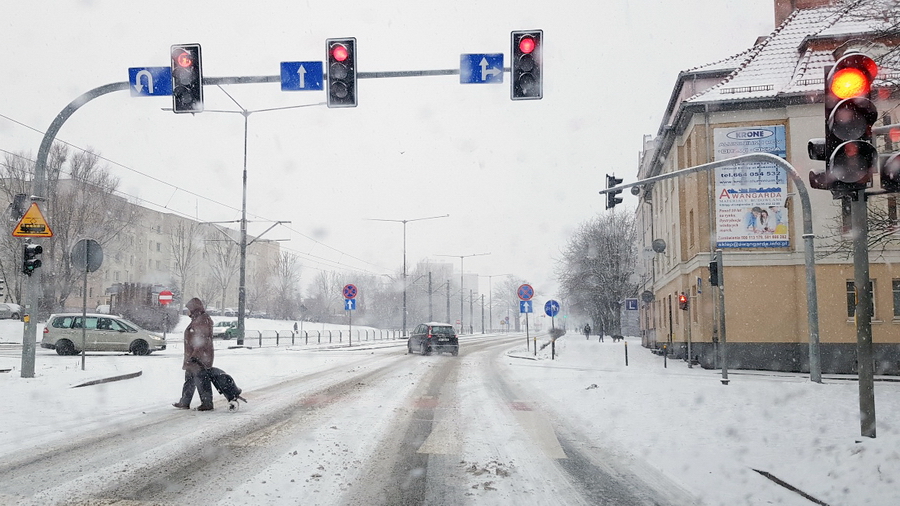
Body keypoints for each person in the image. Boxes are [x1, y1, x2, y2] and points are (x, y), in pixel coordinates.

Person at [173, 298, 215, 411]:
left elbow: (201, 341)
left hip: (199, 358)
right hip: (195, 357)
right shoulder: (198, 319)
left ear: (193, 309)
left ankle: (207, 403)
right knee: (190, 379)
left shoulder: (201, 321)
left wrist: (194, 357)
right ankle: (185, 401)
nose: (187, 312)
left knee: (201, 380)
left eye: (188, 309)